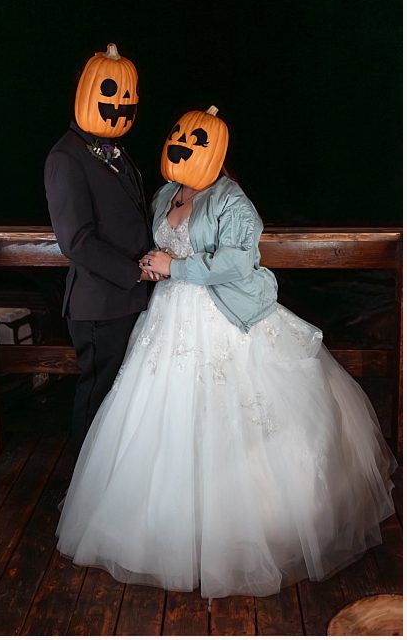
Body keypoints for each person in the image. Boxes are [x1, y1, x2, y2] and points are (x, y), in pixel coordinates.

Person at [55, 108, 398, 598]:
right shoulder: (165, 194)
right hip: (168, 317)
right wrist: (152, 267)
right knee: (155, 413)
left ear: (214, 151)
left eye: (193, 140)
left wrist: (176, 268)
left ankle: (249, 529)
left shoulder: (232, 201)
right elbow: (154, 249)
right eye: (177, 135)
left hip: (222, 316)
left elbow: (239, 262)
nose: (180, 144)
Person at [45, 43, 158, 444]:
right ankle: (80, 492)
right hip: (100, 303)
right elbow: (76, 240)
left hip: (129, 299)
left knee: (122, 397)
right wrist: (136, 272)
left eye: (129, 96)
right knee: (97, 395)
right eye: (112, 94)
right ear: (87, 93)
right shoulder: (66, 158)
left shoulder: (116, 151)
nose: (123, 103)